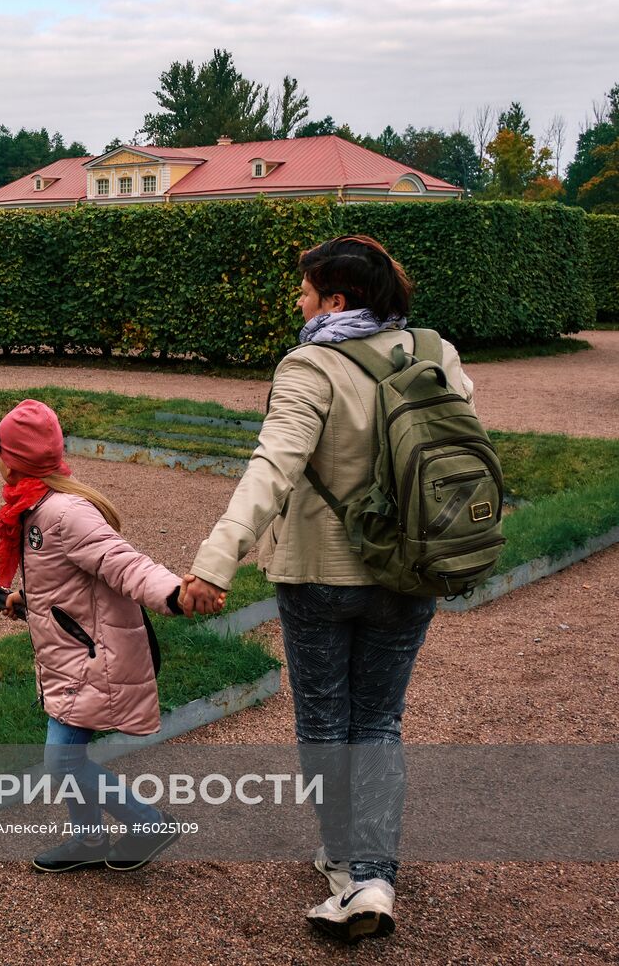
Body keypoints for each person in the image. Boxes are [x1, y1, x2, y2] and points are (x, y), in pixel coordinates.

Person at [180, 235, 475, 943]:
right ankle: (373, 871)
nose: (298, 300)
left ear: (334, 300)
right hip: (411, 568)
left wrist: (213, 561)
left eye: (306, 290)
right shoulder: (435, 352)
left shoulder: (311, 364)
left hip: (318, 572)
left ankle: (346, 864)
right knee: (378, 723)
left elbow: (271, 467)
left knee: (323, 722)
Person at [0, 399, 220, 872]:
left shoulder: (63, 513)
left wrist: (175, 594)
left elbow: (126, 563)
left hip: (90, 659)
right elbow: (63, 582)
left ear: (11, 459)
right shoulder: (33, 508)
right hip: (68, 654)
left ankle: (147, 823)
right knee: (67, 756)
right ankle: (89, 839)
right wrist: (25, 600)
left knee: (62, 762)